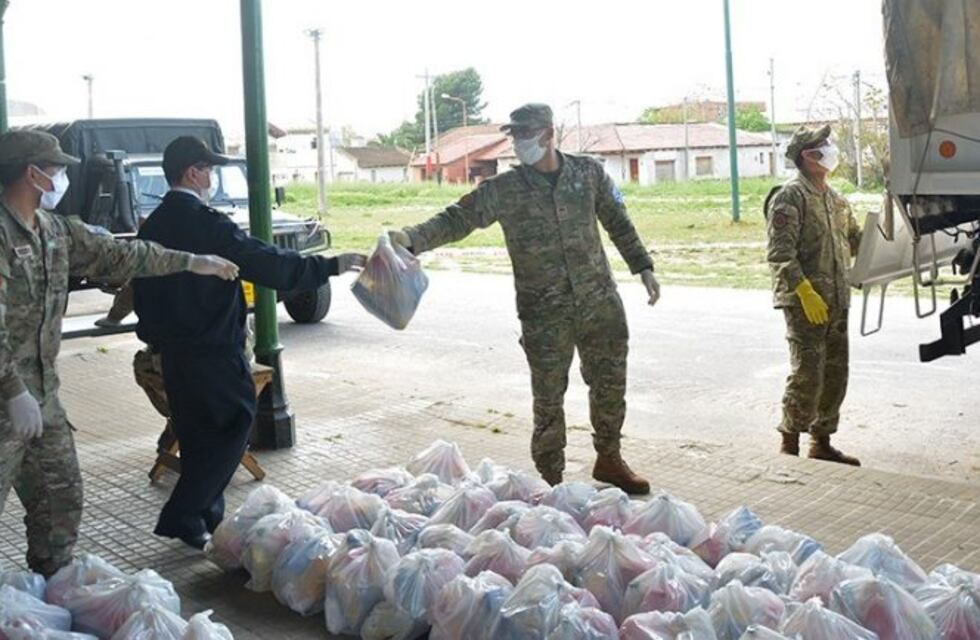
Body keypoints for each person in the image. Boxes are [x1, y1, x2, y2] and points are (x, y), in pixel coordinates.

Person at [0, 130, 238, 575]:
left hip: (43, 399)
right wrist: (11, 389)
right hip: (7, 398)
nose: (62, 177)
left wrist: (190, 261)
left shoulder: (54, 230)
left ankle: (48, 592)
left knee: (60, 501)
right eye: (55, 169)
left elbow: (121, 255)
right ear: (33, 173)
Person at [391, 103, 660, 494]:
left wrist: (643, 266)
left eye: (524, 134)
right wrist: (411, 238)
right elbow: (456, 219)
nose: (517, 142)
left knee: (610, 383)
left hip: (599, 301)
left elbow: (618, 219)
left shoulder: (588, 174)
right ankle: (551, 480)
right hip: (544, 312)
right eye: (513, 135)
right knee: (549, 398)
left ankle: (609, 458)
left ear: (548, 135)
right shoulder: (505, 189)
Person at [133, 136, 366, 549]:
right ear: (193, 172)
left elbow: (143, 291)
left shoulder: (152, 225)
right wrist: (327, 265)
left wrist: (154, 339)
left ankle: (206, 518)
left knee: (198, 433)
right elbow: (264, 261)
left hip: (175, 354)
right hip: (214, 350)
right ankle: (184, 514)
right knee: (235, 425)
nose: (211, 177)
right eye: (208, 170)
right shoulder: (207, 223)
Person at [766, 124, 863, 466]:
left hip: (836, 300)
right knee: (808, 373)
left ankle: (821, 442)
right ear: (808, 156)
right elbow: (780, 254)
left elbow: (855, 241)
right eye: (824, 145)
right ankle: (789, 444)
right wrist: (804, 290)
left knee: (836, 373)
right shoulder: (790, 197)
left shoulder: (836, 199)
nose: (831, 149)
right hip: (805, 302)